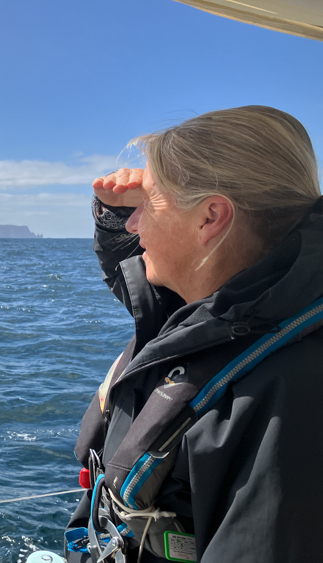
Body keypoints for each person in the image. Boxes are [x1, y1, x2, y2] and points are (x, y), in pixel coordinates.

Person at [66, 106, 323, 562]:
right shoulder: (221, 313)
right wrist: (110, 213)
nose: (133, 223)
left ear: (210, 218)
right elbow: (143, 291)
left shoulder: (291, 394)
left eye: (148, 205)